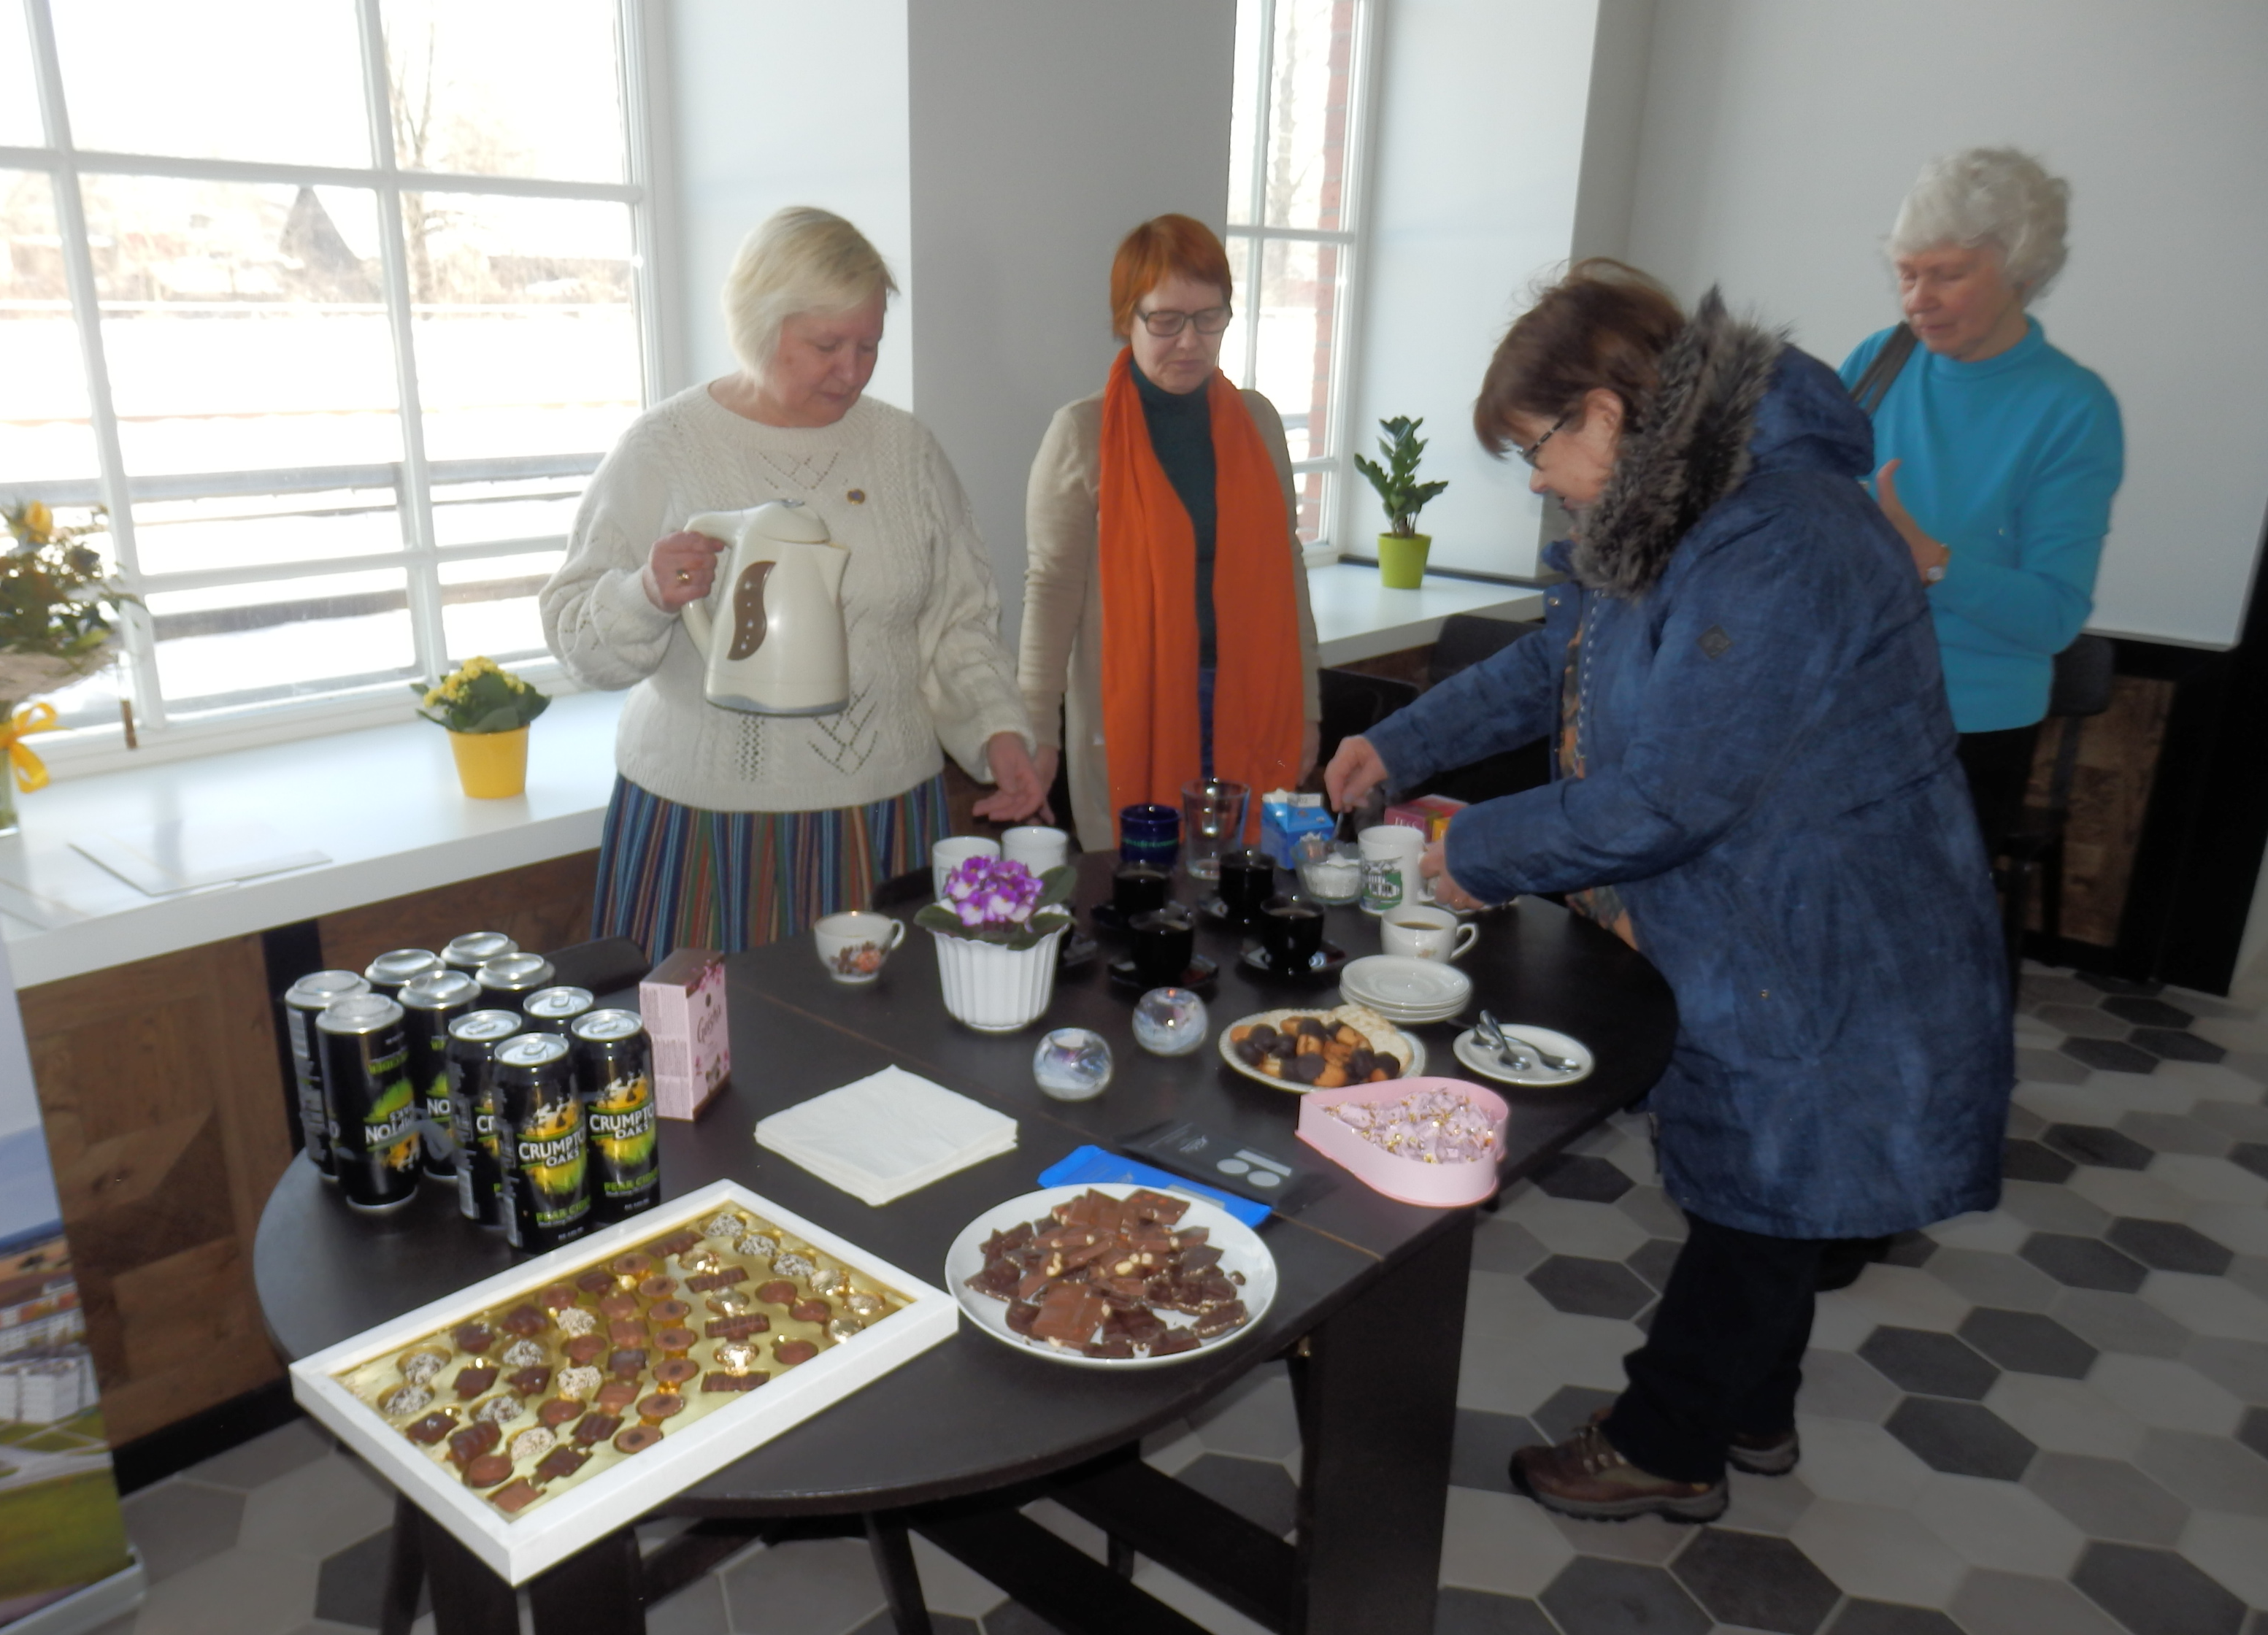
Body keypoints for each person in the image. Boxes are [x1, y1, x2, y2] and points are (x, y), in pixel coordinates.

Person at [1326, 261, 2012, 1521]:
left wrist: (1471, 851)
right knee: (1781, 1181)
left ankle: (1668, 1439)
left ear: (1605, 412)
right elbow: (1557, 659)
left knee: (1772, 1172)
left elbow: (1669, 795)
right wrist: (1402, 742)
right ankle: (1750, 1405)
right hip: (1763, 906)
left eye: (1536, 446)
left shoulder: (1777, 538)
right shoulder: (1676, 509)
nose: (1536, 478)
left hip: (1829, 922)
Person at [541, 207, 1047, 958]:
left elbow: (959, 625)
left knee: (889, 1028)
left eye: (869, 345)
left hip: (886, 819)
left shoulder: (905, 451)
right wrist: (646, 594)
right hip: (708, 829)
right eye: (826, 345)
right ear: (758, 324)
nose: (853, 370)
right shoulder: (665, 448)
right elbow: (577, 640)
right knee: (714, 1032)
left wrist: (999, 733)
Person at [1840, 147, 2123, 858]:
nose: (1918, 299)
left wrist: (1931, 562)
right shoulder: (1879, 361)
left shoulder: (2073, 408)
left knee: (1912, 919)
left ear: (2022, 275)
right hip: (1837, 702)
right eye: (1907, 273)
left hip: (1963, 729)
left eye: (1948, 275)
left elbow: (2053, 617)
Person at [1019, 214, 1321, 853]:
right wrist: (1037, 727)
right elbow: (1051, 588)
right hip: (1139, 707)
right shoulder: (1081, 434)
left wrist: (1309, 706)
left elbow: (1288, 567)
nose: (1189, 341)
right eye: (1166, 320)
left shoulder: (1259, 423)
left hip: (1252, 696)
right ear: (1126, 319)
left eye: (1209, 318)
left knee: (1241, 874)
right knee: (1147, 878)